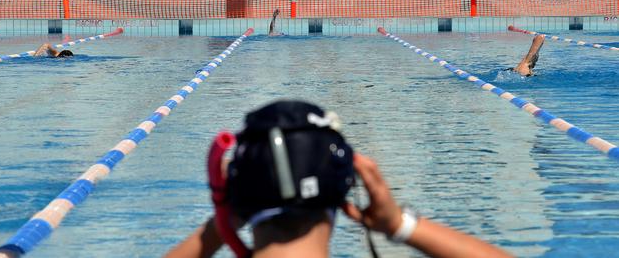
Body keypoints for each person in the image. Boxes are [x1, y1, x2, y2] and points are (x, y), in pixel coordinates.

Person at [165, 100, 512, 258]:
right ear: (348, 185)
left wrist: (221, 224)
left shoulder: (233, 207)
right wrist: (400, 225)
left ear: (236, 193)